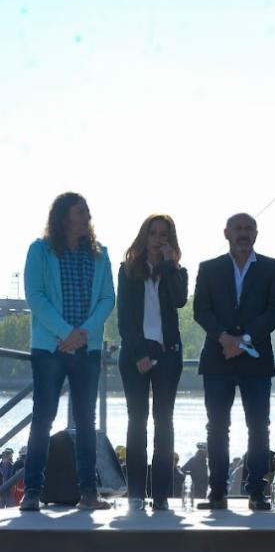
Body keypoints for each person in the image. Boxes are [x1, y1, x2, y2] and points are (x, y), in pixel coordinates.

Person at [21, 193, 115, 512]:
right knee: (43, 418)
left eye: (88, 210)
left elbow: (107, 299)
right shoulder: (40, 250)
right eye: (81, 210)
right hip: (50, 349)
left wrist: (82, 334)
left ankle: (89, 491)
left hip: (86, 349)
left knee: (86, 421)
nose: (87, 215)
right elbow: (35, 296)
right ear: (64, 218)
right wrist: (65, 333)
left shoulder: (100, 255)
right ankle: (32, 491)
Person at [193, 213, 275, 511]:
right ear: (226, 233)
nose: (243, 234)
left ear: (256, 234)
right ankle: (217, 491)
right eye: (238, 229)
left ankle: (256, 491)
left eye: (248, 229)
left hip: (255, 361)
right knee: (217, 427)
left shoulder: (273, 268)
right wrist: (224, 339)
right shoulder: (209, 268)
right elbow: (201, 310)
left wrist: (243, 340)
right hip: (218, 358)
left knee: (259, 427)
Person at [116, 214, 188, 511]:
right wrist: (139, 354)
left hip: (168, 354)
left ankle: (160, 495)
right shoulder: (127, 270)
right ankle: (135, 493)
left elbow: (181, 300)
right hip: (135, 354)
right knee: (137, 423)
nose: (158, 239)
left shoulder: (177, 271)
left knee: (164, 424)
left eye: (164, 234)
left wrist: (170, 266)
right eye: (154, 233)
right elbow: (124, 319)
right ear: (144, 236)